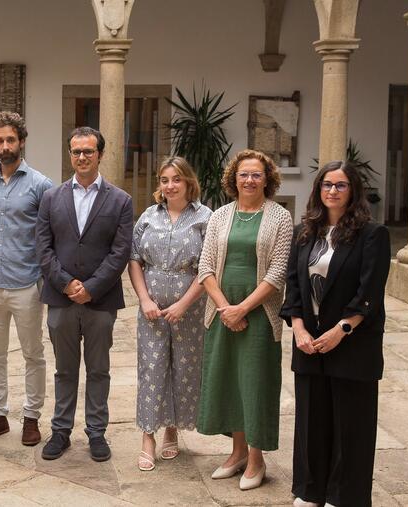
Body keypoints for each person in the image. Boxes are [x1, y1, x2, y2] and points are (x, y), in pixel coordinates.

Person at [281, 161, 390, 507]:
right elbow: (294, 285)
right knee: (312, 419)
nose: (333, 191)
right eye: (327, 184)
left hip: (351, 341)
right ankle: (311, 490)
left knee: (350, 423)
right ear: (318, 189)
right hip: (309, 341)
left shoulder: (372, 234)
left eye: (341, 185)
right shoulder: (305, 231)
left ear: (353, 190)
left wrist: (341, 330)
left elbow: (368, 291)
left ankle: (343, 496)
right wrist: (298, 327)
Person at [196, 149, 292, 490]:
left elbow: (278, 272)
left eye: (256, 174)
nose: (249, 180)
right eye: (243, 175)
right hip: (222, 313)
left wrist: (242, 309)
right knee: (229, 382)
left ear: (267, 179)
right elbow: (205, 267)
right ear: (233, 180)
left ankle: (256, 459)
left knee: (255, 383)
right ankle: (236, 453)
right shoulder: (220, 215)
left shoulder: (280, 217)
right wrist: (225, 308)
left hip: (261, 315)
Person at [36, 126, 133, 462]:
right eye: (76, 151)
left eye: (88, 151)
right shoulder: (51, 198)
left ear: (100, 154)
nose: (81, 157)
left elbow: (120, 252)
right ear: (70, 155)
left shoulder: (120, 200)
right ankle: (61, 431)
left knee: (99, 369)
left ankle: (96, 433)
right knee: (64, 369)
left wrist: (91, 288)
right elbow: (43, 247)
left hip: (100, 301)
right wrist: (67, 283)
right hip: (60, 299)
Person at [0, 112, 53, 446]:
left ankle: (32, 418)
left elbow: (48, 234)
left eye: (10, 139)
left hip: (26, 283)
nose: (5, 146)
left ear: (21, 141)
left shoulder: (41, 185)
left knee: (33, 353)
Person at [128, 156, 211, 472]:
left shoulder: (205, 217)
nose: (170, 185)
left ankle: (172, 430)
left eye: (176, 179)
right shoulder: (149, 216)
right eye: (164, 180)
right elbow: (135, 259)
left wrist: (184, 304)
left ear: (189, 182)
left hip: (189, 309)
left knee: (184, 368)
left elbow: (208, 266)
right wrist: (145, 299)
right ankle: (148, 437)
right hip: (151, 311)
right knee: (151, 369)